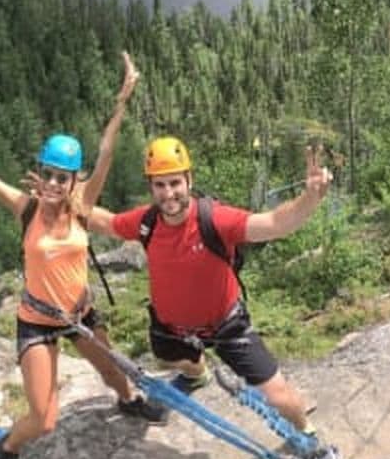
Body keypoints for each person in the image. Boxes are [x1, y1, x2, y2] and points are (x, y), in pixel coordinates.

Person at [0, 52, 166, 459]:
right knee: (44, 418)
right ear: (40, 173)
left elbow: (107, 150)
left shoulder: (82, 209)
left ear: (75, 180)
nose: (53, 184)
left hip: (80, 317)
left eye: (62, 177)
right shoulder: (26, 209)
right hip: (36, 324)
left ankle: (129, 402)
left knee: (115, 374)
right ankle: (9, 448)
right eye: (48, 174)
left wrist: (123, 100)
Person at [87, 136, 333, 433]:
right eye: (160, 185)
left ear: (189, 180)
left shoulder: (214, 219)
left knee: (279, 397)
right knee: (167, 357)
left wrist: (310, 197)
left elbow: (275, 224)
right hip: (173, 329)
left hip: (226, 325)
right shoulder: (147, 222)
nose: (169, 193)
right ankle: (196, 374)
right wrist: (65, 201)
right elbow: (105, 222)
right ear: (150, 187)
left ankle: (307, 433)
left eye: (175, 183)